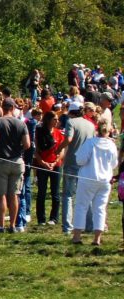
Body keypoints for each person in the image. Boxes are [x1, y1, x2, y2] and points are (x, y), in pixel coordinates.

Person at [70, 121, 118, 246]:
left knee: (81, 206)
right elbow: (114, 164)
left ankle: (77, 236)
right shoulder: (112, 145)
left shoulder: (90, 142)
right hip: (105, 180)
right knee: (100, 209)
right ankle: (97, 238)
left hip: (88, 179)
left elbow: (80, 160)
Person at [0, 100, 30, 233]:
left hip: (1, 161)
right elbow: (27, 144)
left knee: (1, 196)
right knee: (14, 195)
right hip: (17, 162)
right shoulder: (21, 123)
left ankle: (1, 226)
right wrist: (18, 150)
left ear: (2, 108)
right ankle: (12, 225)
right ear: (13, 108)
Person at [57, 101, 95, 234]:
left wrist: (59, 148)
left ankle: (67, 226)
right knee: (87, 195)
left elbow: (68, 139)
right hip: (86, 164)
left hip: (72, 163)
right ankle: (90, 225)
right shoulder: (90, 125)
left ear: (71, 112)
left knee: (67, 195)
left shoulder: (71, 122)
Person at [34, 110, 63, 226]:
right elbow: (36, 151)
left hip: (56, 165)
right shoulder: (39, 133)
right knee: (41, 192)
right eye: (54, 119)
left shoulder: (58, 133)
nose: (57, 121)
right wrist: (43, 163)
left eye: (57, 119)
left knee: (55, 192)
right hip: (42, 165)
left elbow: (62, 150)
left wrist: (55, 161)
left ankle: (54, 217)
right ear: (48, 120)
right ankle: (41, 218)